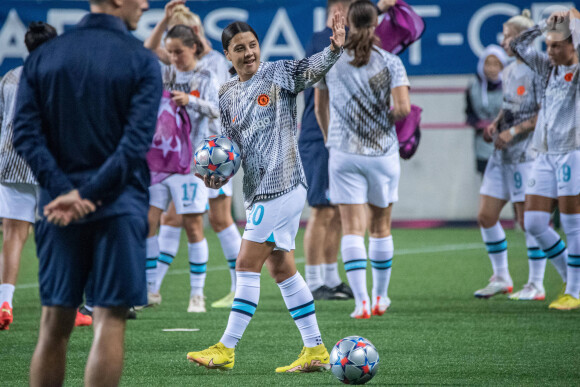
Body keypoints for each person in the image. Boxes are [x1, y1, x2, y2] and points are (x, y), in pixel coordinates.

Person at [12, 0, 162, 385]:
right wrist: (90, 194)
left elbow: (25, 135)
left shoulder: (44, 57)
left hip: (58, 209)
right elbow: (134, 145)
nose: (145, 4)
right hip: (118, 204)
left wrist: (66, 193)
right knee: (110, 318)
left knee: (53, 322)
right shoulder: (141, 60)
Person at [187, 16, 345, 372]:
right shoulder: (226, 94)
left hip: (283, 182)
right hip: (257, 190)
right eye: (239, 49)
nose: (248, 53)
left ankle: (225, 348)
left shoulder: (278, 74)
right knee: (282, 268)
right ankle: (315, 349)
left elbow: (310, 69)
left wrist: (334, 48)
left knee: (246, 265)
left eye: (252, 45)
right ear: (227, 55)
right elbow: (232, 150)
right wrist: (217, 177)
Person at [315, 0, 410, 318]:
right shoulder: (390, 62)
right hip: (382, 153)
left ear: (349, 23)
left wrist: (331, 140)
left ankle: (361, 302)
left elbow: (319, 108)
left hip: (343, 153)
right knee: (381, 227)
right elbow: (403, 109)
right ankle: (381, 297)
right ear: (376, 24)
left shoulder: (330, 60)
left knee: (352, 229)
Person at [145, 0, 241, 309]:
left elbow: (221, 105)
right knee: (174, 219)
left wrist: (194, 102)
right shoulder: (173, 65)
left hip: (212, 150)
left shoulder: (212, 63)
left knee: (219, 219)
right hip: (181, 156)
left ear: (195, 33)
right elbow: (151, 49)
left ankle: (239, 285)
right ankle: (152, 289)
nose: (172, 54)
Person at [473, 11, 555, 300]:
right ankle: (502, 276)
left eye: (508, 35)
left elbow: (543, 113)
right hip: (501, 155)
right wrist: (496, 125)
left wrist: (515, 131)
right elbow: (509, 105)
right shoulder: (509, 70)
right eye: (504, 35)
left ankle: (536, 284)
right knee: (485, 215)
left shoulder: (541, 68)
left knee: (527, 220)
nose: (504, 41)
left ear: (523, 38)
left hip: (526, 155)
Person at [512, 8, 580, 310]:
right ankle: (571, 278)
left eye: (557, 45)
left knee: (570, 222)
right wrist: (543, 26)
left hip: (572, 152)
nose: (550, 51)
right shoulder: (547, 68)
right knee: (535, 222)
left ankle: (575, 292)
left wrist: (574, 19)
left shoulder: (577, 72)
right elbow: (517, 46)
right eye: (548, 45)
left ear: (573, 45)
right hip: (544, 154)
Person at [0, 22, 57, 331]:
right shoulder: (56, 77)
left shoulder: (9, 77)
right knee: (54, 233)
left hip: (8, 162)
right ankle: (60, 301)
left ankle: (4, 301)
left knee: (12, 235)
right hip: (43, 164)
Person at [298, 0, 354, 301]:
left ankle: (331, 279)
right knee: (321, 210)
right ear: (335, 10)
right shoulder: (324, 40)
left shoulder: (348, 38)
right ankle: (313, 281)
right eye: (347, 6)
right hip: (318, 135)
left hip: (340, 136)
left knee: (337, 212)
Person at [466, 45, 509, 175]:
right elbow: (469, 113)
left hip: (506, 144)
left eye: (496, 64)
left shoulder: (509, 85)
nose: (491, 69)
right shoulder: (474, 86)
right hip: (483, 144)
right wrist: (479, 124)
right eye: (488, 64)